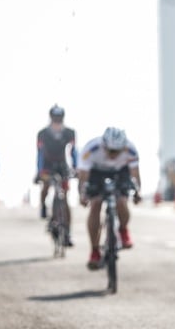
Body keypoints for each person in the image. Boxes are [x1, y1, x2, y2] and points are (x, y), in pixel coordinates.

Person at [77, 127, 141, 270]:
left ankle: (123, 230)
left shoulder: (130, 149)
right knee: (95, 204)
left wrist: (138, 192)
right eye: (110, 150)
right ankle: (94, 251)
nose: (113, 154)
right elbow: (83, 175)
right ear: (103, 145)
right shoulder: (91, 149)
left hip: (120, 172)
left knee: (121, 201)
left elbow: (135, 173)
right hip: (96, 173)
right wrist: (82, 194)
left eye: (117, 151)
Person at [35, 105, 77, 245]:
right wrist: (40, 171)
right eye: (55, 118)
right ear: (51, 118)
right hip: (47, 165)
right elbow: (40, 153)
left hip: (62, 165)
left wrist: (75, 167)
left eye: (59, 119)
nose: (57, 121)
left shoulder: (69, 132)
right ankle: (43, 206)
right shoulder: (42, 133)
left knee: (65, 198)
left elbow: (73, 151)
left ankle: (68, 233)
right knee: (46, 186)